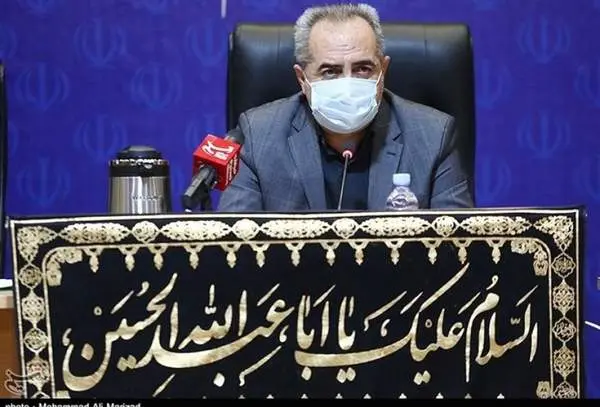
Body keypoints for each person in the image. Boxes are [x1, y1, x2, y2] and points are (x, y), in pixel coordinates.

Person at [217, 3, 474, 212]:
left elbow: (458, 247)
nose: (348, 84)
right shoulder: (258, 136)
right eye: (330, 71)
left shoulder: (433, 136)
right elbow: (235, 247)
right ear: (302, 79)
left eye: (363, 69)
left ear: (383, 70)